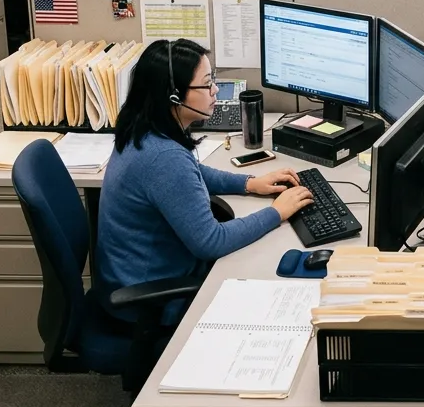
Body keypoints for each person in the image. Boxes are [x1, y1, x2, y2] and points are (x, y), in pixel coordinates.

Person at [96, 38, 315, 323]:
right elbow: (211, 242)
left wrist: (248, 183)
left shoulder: (142, 130)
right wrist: (277, 212)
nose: (215, 91)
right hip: (151, 297)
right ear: (173, 96)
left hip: (130, 272)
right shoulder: (163, 157)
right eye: (207, 83)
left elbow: (193, 171)